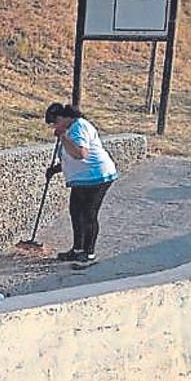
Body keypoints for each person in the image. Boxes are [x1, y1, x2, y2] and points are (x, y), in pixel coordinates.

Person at [44, 102, 118, 269]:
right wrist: (55, 169)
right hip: (83, 179)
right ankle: (77, 249)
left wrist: (63, 137)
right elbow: (69, 157)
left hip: (97, 176)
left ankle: (88, 253)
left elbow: (80, 154)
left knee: (88, 214)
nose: (54, 127)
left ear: (62, 118)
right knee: (76, 213)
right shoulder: (70, 129)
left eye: (54, 123)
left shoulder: (79, 127)